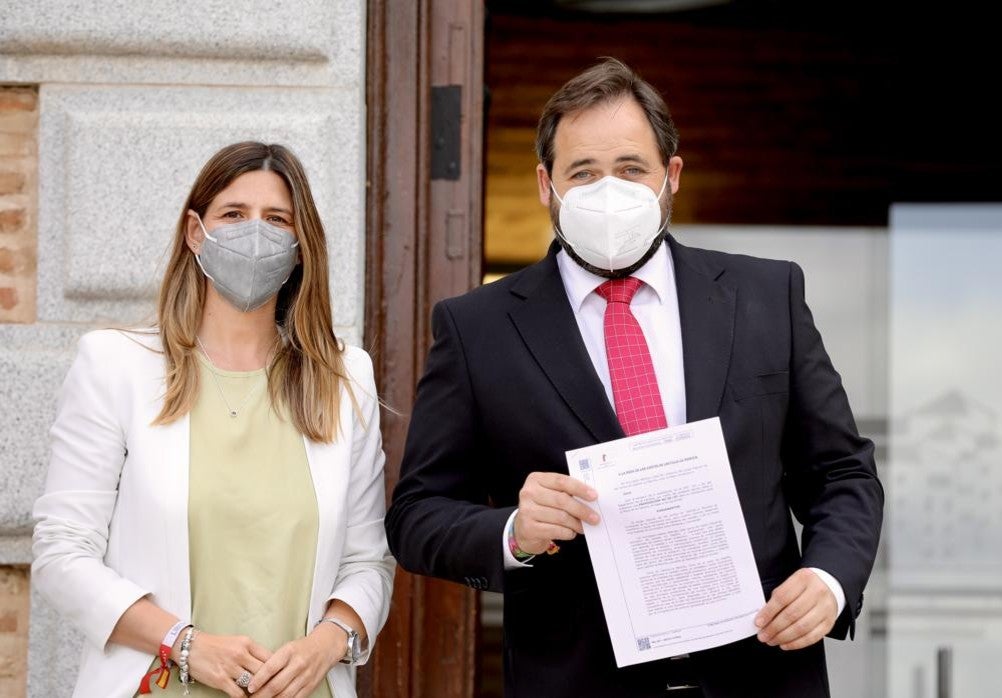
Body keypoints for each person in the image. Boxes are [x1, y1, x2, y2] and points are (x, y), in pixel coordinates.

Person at [385, 58, 884, 697]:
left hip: (760, 673)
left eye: (630, 168)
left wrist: (830, 580)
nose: (608, 190)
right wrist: (513, 531)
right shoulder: (476, 328)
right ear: (546, 185)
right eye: (583, 173)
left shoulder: (766, 294)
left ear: (670, 176)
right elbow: (417, 515)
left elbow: (842, 473)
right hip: (576, 679)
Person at [31, 142, 395, 698]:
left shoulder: (345, 379)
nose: (256, 232)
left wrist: (327, 642)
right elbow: (62, 554)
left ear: (301, 246)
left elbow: (369, 561)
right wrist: (184, 643)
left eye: (277, 219)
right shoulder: (117, 366)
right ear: (195, 232)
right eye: (233, 214)